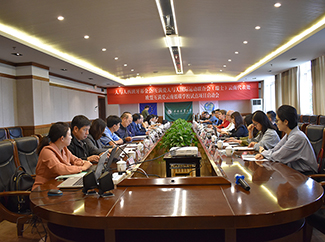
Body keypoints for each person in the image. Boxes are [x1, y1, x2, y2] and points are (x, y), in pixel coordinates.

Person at [255, 105, 317, 175]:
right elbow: (275, 149)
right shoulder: (289, 134)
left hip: (306, 175)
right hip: (295, 172)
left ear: (286, 122)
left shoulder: (296, 137)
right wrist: (263, 154)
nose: (276, 123)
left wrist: (263, 152)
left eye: (277, 120)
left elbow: (278, 156)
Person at [32, 122, 92, 190]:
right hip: (44, 189)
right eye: (69, 135)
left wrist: (83, 163)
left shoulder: (64, 149)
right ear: (62, 138)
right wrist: (82, 168)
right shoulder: (47, 151)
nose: (71, 137)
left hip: (58, 185)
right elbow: (60, 169)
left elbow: (75, 160)